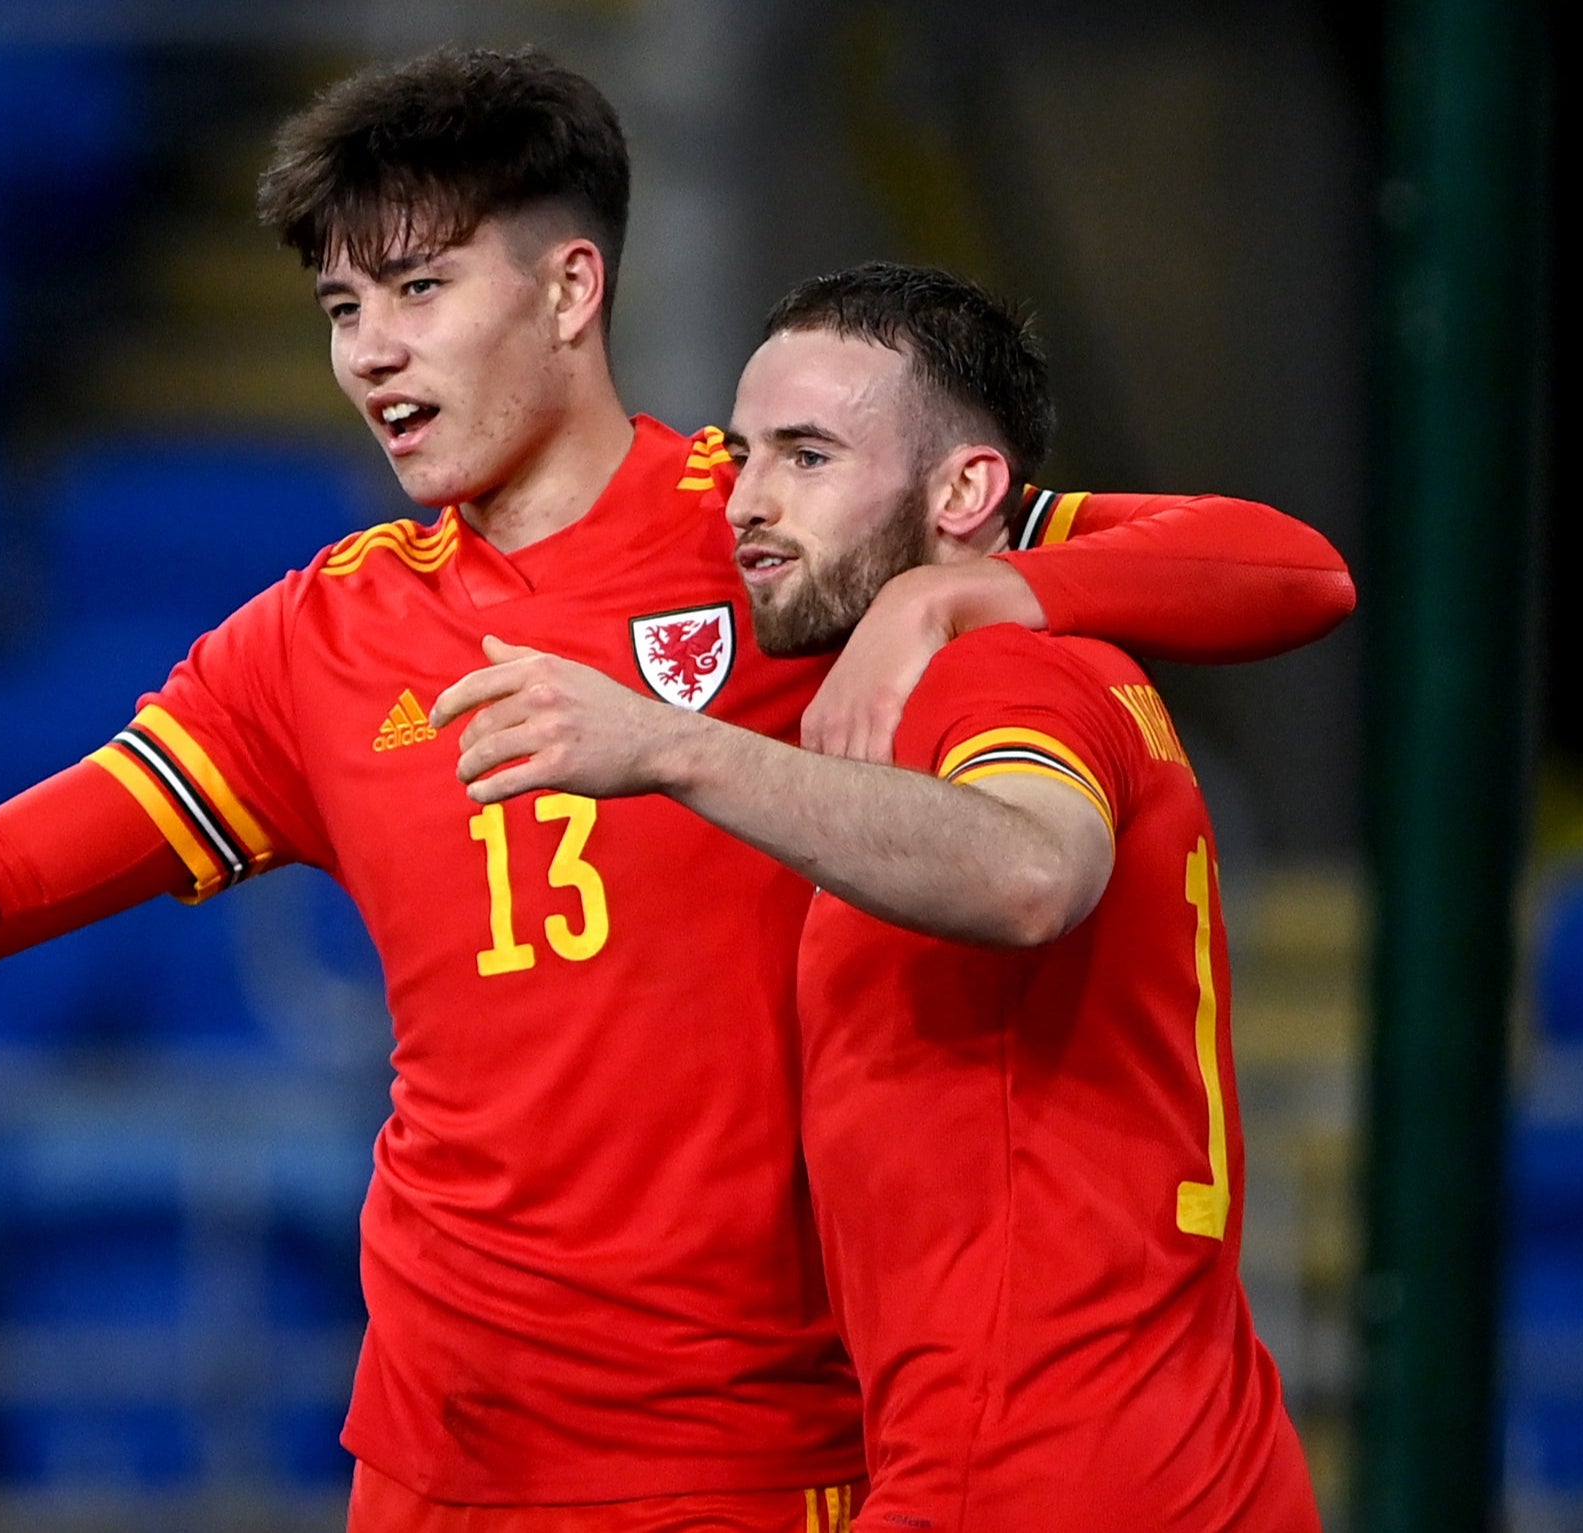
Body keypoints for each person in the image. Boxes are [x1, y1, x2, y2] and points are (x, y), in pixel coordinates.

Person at [0, 50, 1348, 1531]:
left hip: (747, 1452)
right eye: (339, 307)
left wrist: (973, 588)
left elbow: (1284, 570)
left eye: (419, 288)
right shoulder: (314, 637)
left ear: (569, 290)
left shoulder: (787, 532)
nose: (374, 351)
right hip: (438, 1444)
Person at [433, 261, 1324, 1531]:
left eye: (804, 457)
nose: (741, 502)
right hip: (1188, 1452)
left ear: (965, 491)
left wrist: (676, 747)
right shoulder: (1026, 643)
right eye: (741, 455)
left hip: (1024, 1474)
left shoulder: (997, 677)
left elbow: (1027, 871)